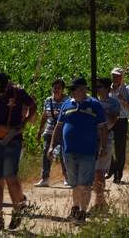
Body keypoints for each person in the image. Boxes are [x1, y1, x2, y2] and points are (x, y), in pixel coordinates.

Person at [49, 77, 106, 225]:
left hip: (87, 151)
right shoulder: (67, 104)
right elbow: (59, 126)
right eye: (72, 90)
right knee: (74, 184)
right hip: (68, 151)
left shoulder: (94, 105)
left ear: (82, 90)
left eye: (74, 89)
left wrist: (104, 147)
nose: (72, 92)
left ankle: (82, 212)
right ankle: (75, 208)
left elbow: (102, 127)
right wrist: (51, 146)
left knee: (85, 184)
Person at [0, 71, 36, 231]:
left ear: (8, 85)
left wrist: (24, 122)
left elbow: (33, 105)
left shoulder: (18, 93)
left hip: (13, 140)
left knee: (10, 177)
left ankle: (18, 210)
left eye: (3, 89)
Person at [93, 78, 120, 210]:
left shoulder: (113, 103)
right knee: (92, 172)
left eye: (100, 87)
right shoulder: (92, 101)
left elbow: (112, 121)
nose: (97, 89)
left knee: (99, 172)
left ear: (107, 88)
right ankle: (100, 201)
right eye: (96, 87)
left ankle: (99, 202)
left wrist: (99, 110)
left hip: (106, 139)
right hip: (91, 139)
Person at [35, 78, 67, 187]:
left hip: (63, 131)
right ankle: (45, 178)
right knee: (46, 153)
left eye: (58, 88)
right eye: (54, 88)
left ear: (63, 89)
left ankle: (67, 178)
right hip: (49, 131)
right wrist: (40, 130)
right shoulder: (48, 100)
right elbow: (44, 115)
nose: (56, 90)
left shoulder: (67, 101)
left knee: (64, 154)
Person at [107, 67, 129, 184]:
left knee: (120, 149)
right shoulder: (107, 89)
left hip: (121, 120)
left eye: (118, 75)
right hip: (108, 119)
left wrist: (122, 99)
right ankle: (111, 167)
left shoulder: (128, 89)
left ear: (122, 77)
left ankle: (118, 175)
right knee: (105, 145)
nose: (115, 78)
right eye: (114, 75)